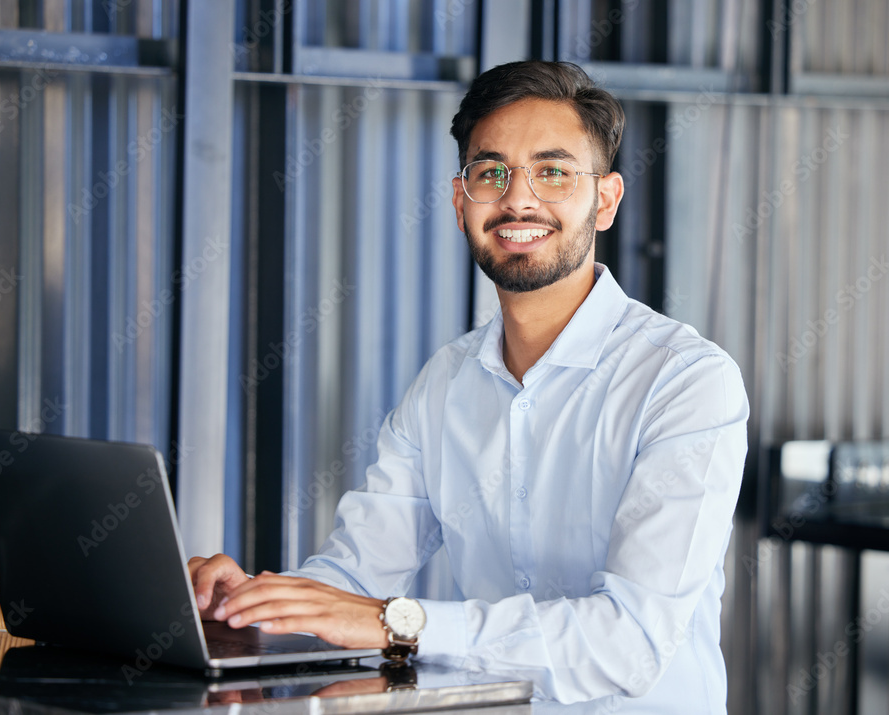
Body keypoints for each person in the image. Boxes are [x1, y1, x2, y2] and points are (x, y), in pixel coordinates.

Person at [189, 60, 748, 712]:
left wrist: (399, 624)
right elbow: (354, 574)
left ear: (605, 200)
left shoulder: (686, 381)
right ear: (461, 204)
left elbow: (629, 640)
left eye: (553, 171)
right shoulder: (445, 384)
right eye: (492, 173)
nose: (518, 199)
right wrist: (254, 600)